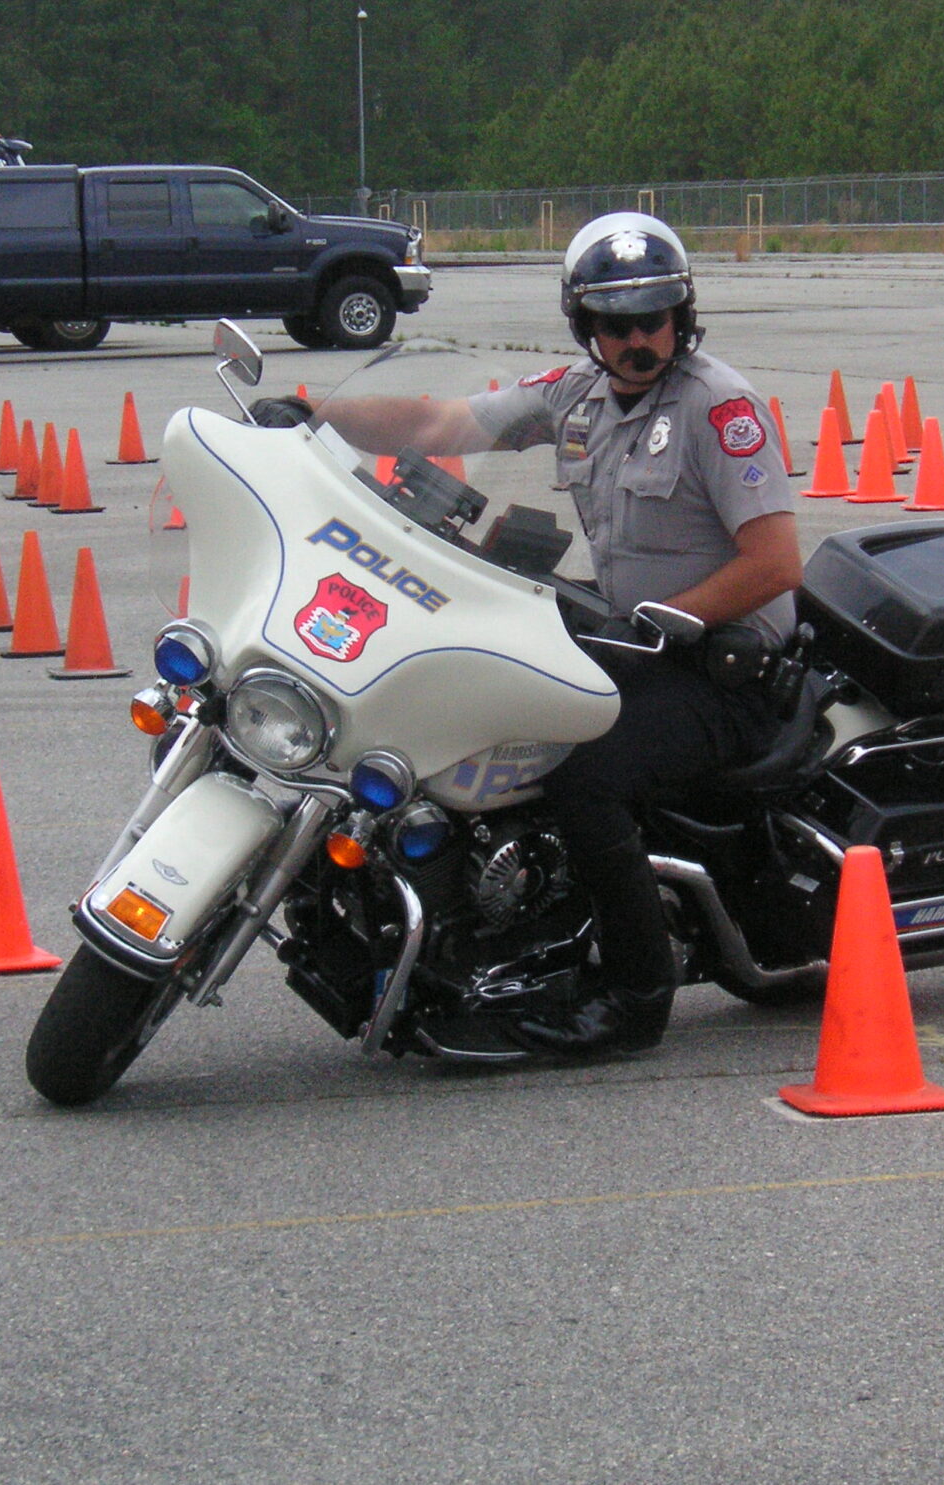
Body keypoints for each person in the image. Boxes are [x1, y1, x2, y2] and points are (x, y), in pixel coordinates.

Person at [264, 213, 802, 1057]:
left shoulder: (718, 407)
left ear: (680, 316)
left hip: (720, 667)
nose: (636, 338)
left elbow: (774, 563)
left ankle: (635, 997)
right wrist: (313, 415)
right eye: (615, 322)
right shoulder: (575, 395)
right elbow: (443, 423)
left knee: (582, 770)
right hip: (630, 642)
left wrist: (673, 616)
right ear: (585, 324)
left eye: (652, 318)